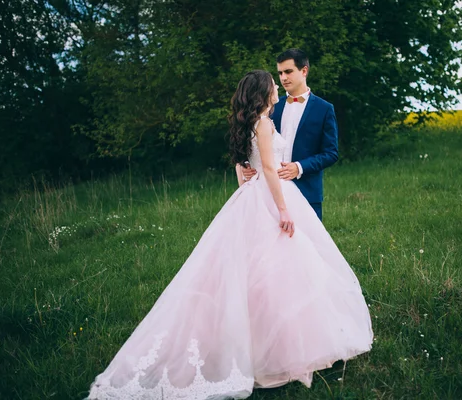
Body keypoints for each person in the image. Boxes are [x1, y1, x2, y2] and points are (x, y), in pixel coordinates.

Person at [87, 70, 372, 400]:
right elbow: (267, 168)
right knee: (281, 272)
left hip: (251, 195)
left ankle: (265, 345)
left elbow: (243, 166)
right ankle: (274, 352)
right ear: (263, 92)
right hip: (271, 195)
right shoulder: (264, 123)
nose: (278, 86)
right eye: (273, 84)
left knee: (260, 272)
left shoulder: (249, 123)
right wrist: (282, 210)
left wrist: (246, 177)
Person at [241, 49, 338, 221]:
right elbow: (254, 141)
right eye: (280, 73)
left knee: (310, 246)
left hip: (307, 191)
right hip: (269, 192)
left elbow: (331, 153)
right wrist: (247, 165)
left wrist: (299, 167)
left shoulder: (324, 109)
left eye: (288, 71)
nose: (283, 78)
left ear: (304, 71)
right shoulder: (270, 106)